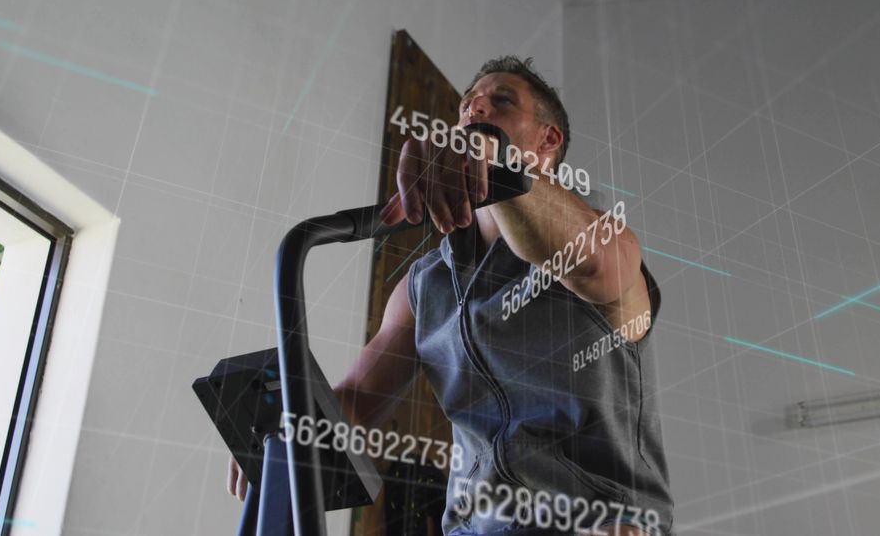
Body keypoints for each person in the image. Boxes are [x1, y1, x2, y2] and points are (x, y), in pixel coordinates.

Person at [228, 56, 673, 535]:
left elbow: (590, 261)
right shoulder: (427, 285)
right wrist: (281, 433)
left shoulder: (606, 240)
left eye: (501, 100)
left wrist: (499, 161)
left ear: (547, 142)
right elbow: (357, 402)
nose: (475, 106)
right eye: (467, 103)